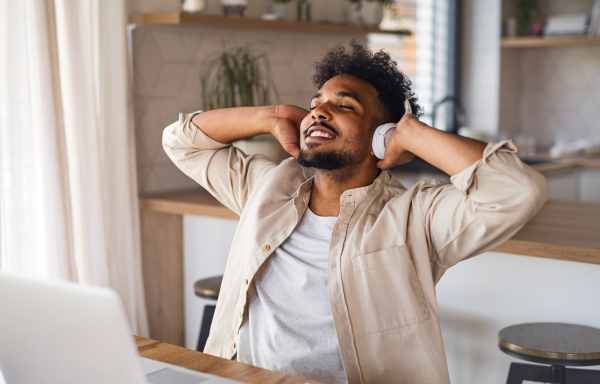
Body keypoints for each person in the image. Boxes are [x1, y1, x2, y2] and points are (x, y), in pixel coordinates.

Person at [163, 41, 548, 384]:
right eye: (315, 105)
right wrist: (271, 115)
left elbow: (518, 191)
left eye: (344, 105)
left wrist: (413, 133)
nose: (318, 113)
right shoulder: (268, 187)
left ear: (383, 135)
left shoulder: (415, 216)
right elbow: (181, 142)